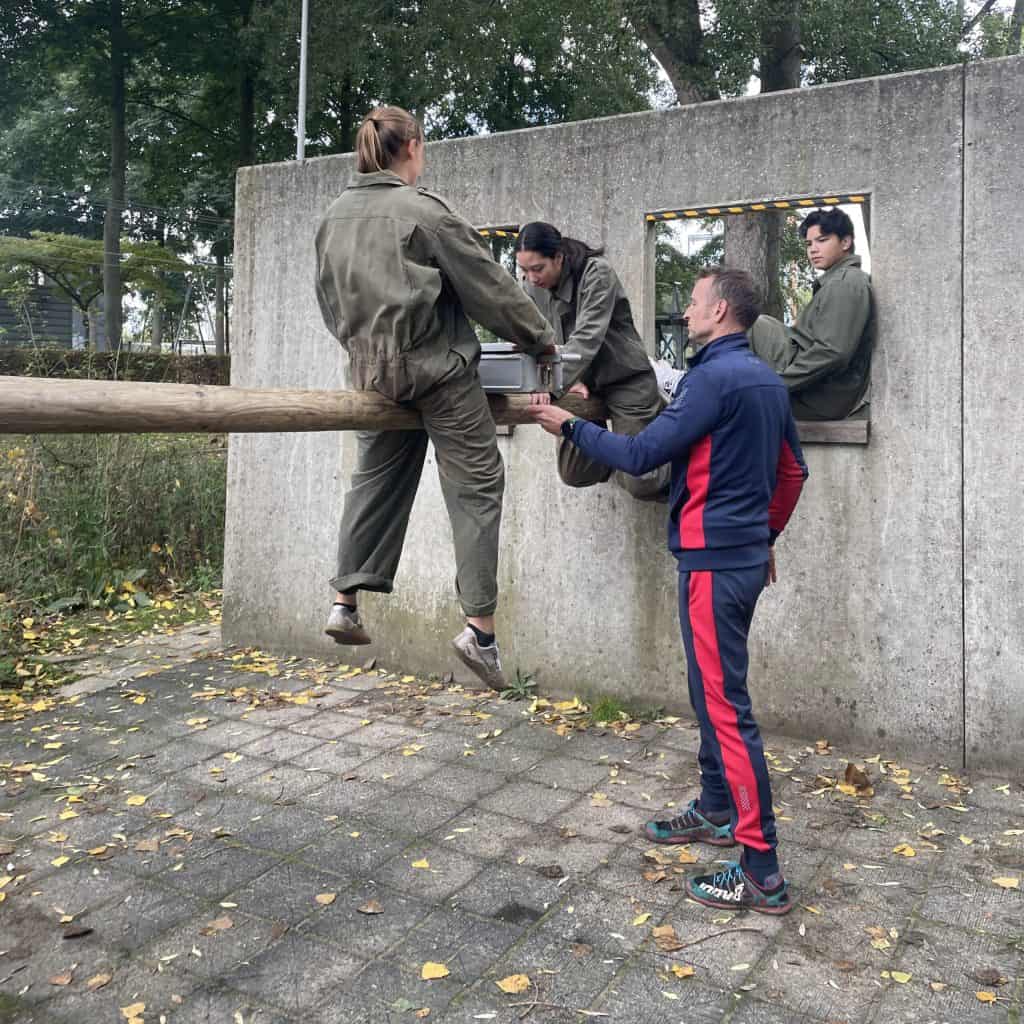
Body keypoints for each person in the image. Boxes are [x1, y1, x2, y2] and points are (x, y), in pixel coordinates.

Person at [530, 266, 808, 915]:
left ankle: (762, 871)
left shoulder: (712, 377)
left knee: (727, 712)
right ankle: (715, 807)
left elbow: (642, 453)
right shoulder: (767, 378)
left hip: (713, 566)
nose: (685, 315)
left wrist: (567, 426)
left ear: (720, 312)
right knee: (709, 696)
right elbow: (793, 472)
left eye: (693, 304)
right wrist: (764, 538)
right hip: (736, 561)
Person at [314, 106, 556, 688]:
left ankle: (344, 602)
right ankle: (480, 631)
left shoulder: (334, 217)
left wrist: (365, 352)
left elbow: (328, 302)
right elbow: (491, 290)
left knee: (375, 477)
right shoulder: (426, 215)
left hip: (371, 376)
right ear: (414, 148)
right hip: (439, 376)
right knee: (476, 485)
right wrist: (541, 341)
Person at [515, 222, 668, 500]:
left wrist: (550, 383)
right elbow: (532, 339)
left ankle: (683, 455)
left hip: (625, 379)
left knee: (643, 482)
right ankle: (620, 456)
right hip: (579, 381)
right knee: (575, 471)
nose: (531, 278)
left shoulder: (597, 273)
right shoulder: (531, 287)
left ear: (558, 257)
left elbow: (587, 338)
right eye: (524, 270)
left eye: (538, 269)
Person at [750, 207, 875, 421]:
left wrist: (777, 384)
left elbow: (833, 352)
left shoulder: (845, 283)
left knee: (749, 324)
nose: (813, 250)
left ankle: (704, 388)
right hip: (820, 392)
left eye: (822, 240)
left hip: (821, 397)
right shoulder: (838, 281)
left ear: (845, 243)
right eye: (809, 244)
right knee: (757, 324)